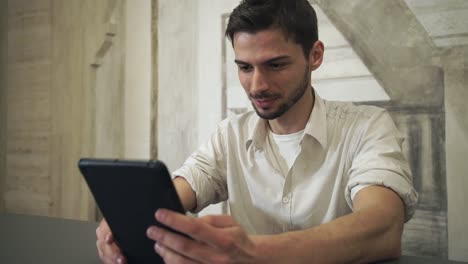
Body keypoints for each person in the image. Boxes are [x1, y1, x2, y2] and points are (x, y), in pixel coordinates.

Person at [96, 0, 418, 263]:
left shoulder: (367, 128)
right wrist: (130, 221)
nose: (257, 85)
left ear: (315, 56)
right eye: (245, 67)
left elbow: (383, 227)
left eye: (276, 65)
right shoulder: (230, 135)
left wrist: (251, 251)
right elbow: (184, 185)